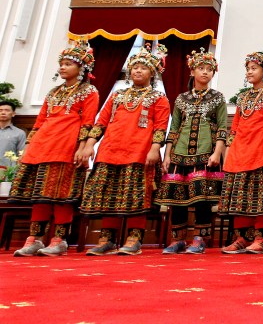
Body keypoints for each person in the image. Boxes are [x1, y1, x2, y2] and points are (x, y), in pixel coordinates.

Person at [10, 40, 98, 257]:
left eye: (68, 64)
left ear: (82, 68)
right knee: (39, 195)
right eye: (62, 63)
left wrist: (83, 147)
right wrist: (28, 147)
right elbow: (40, 121)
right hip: (42, 145)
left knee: (62, 195)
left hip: (66, 146)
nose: (62, 67)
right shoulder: (53, 92)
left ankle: (59, 240)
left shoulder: (89, 91)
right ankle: (35, 238)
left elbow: (88, 122)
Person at [80, 44, 170, 256]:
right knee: (108, 195)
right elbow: (101, 122)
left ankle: (134, 238)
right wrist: (90, 144)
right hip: (109, 151)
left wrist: (155, 149)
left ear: (152, 73)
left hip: (139, 152)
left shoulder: (159, 98)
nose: (138, 71)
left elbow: (160, 127)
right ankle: (106, 239)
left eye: (143, 68)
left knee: (136, 196)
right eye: (135, 67)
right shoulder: (117, 96)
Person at [156, 48, 227, 254]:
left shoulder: (218, 97)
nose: (205, 72)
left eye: (209, 69)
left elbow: (222, 128)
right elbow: (174, 128)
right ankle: (177, 239)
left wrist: (217, 153)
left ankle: (199, 238)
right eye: (201, 68)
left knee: (202, 197)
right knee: (177, 198)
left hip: (206, 153)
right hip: (179, 153)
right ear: (192, 71)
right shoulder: (181, 98)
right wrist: (167, 155)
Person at [218, 43, 263, 254]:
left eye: (254, 68)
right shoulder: (243, 97)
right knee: (240, 194)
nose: (249, 72)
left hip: (260, 148)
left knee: (260, 194)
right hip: (240, 149)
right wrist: (229, 148)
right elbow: (235, 125)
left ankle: (261, 238)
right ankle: (241, 238)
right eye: (248, 68)